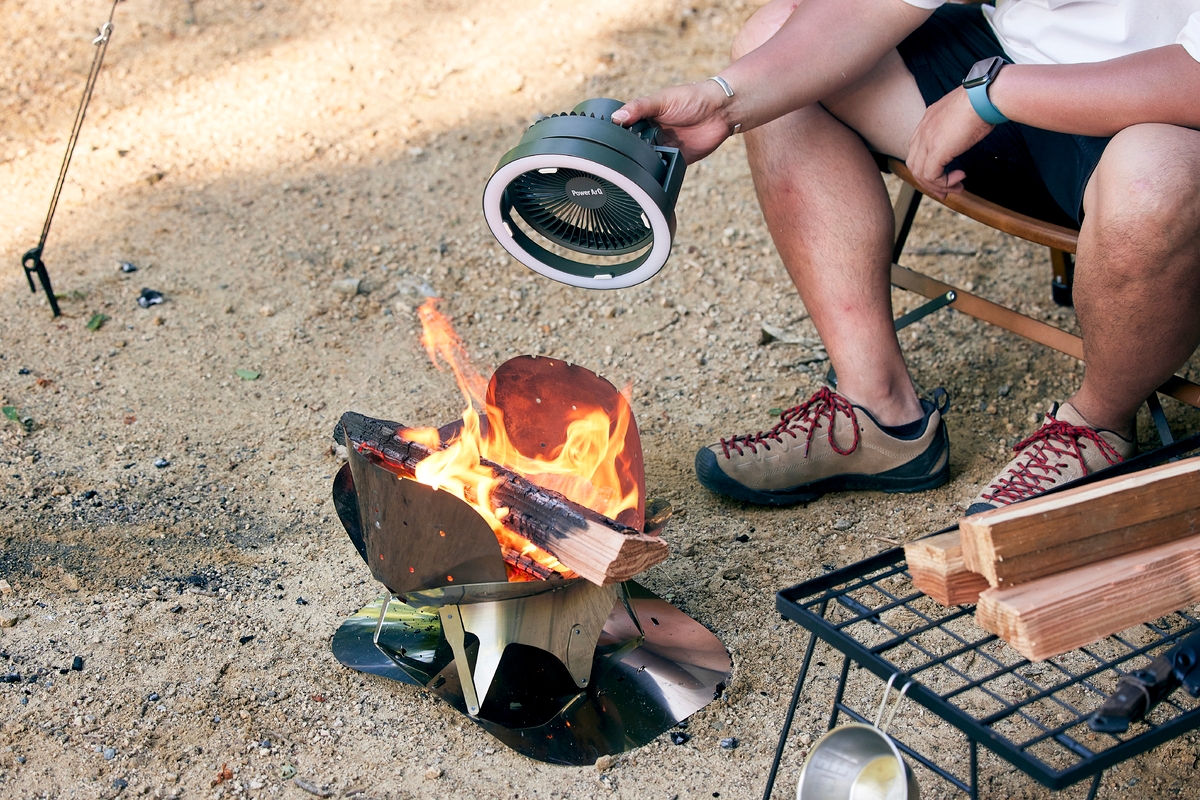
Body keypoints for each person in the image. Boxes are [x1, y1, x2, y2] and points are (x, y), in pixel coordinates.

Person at [612, 0, 1200, 511]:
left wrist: (993, 95)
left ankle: (1097, 426)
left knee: (1154, 185)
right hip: (1012, 69)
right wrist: (722, 101)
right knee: (773, 43)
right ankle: (877, 413)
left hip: (1166, 117)